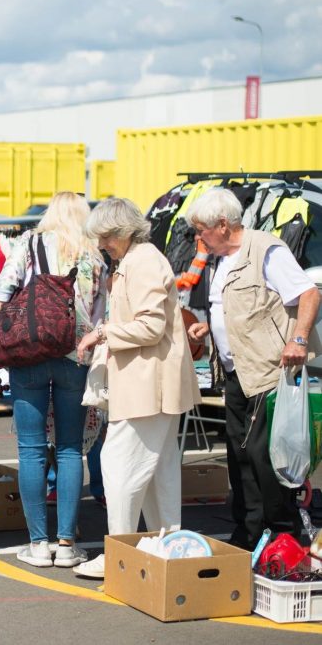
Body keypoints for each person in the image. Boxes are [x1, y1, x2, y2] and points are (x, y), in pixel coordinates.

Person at [185, 189, 321, 549]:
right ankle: (250, 531)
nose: (198, 238)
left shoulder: (265, 249)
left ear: (223, 225)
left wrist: (300, 339)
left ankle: (282, 533)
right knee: (240, 454)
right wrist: (209, 328)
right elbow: (235, 308)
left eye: (202, 230)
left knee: (265, 457)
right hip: (235, 373)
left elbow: (309, 294)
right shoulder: (221, 257)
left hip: (267, 370)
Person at [74, 197, 201, 579]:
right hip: (150, 384)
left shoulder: (143, 261)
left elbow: (151, 326)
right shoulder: (135, 260)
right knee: (156, 473)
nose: (101, 245)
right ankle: (167, 548)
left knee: (120, 466)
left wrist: (103, 333)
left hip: (149, 385)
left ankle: (121, 553)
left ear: (124, 231)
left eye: (105, 237)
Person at [0, 192, 106, 569]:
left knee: (32, 450)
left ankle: (39, 543)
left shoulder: (29, 243)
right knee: (72, 449)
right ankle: (68, 543)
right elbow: (103, 309)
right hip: (77, 355)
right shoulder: (96, 252)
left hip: (30, 353)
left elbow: (0, 293)